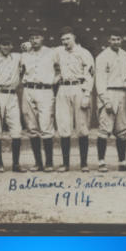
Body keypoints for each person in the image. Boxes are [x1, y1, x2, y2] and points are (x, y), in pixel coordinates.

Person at [55, 26, 95, 172]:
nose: (65, 41)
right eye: (63, 39)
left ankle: (83, 163)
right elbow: (45, 55)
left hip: (79, 88)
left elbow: (90, 75)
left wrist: (86, 94)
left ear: (74, 37)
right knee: (64, 126)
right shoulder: (58, 52)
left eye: (67, 38)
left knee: (82, 127)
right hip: (63, 88)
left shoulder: (84, 53)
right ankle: (65, 164)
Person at [0, 35, 26, 173]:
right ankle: (0, 165)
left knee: (16, 130)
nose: (6, 47)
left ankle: (16, 164)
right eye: (3, 44)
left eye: (8, 44)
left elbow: (27, 49)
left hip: (12, 95)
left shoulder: (16, 57)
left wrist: (26, 45)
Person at [20, 28, 58, 172]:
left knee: (46, 126)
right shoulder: (24, 55)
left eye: (37, 37)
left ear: (42, 38)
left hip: (45, 90)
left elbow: (61, 68)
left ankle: (49, 163)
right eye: (31, 38)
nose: (34, 40)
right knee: (32, 127)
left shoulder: (52, 52)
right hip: (28, 89)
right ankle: (38, 163)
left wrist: (55, 80)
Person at [94, 28, 126, 172]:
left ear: (122, 40)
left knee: (122, 129)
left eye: (118, 39)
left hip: (122, 93)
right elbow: (100, 80)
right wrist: (105, 100)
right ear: (109, 40)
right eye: (113, 39)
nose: (116, 42)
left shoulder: (125, 55)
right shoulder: (102, 56)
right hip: (108, 92)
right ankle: (101, 162)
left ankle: (122, 161)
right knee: (104, 129)